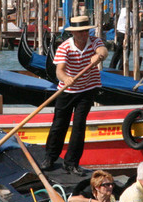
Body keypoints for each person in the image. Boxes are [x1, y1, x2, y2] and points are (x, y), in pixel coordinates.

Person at [42, 15, 108, 175]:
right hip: (68, 90)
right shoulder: (65, 47)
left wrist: (98, 56)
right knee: (59, 124)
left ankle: (71, 163)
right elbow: (59, 70)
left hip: (87, 89)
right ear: (73, 33)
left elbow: (103, 50)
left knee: (79, 126)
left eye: (85, 31)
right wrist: (66, 79)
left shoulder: (94, 42)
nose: (83, 34)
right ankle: (50, 158)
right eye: (80, 32)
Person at [109, 5, 132, 70]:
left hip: (120, 32)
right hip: (124, 33)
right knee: (125, 52)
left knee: (119, 51)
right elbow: (131, 25)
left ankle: (113, 67)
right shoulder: (129, 13)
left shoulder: (123, 10)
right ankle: (121, 68)